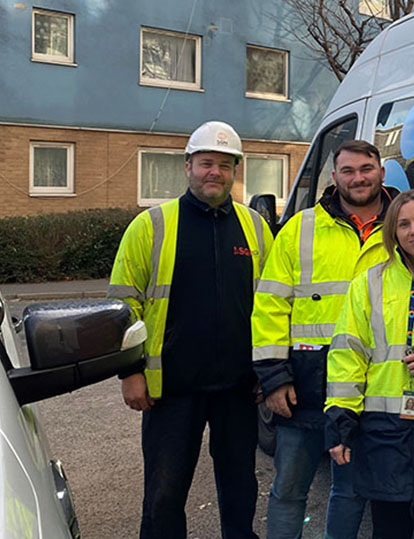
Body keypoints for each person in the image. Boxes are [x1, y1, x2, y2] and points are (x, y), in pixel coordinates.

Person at [108, 120, 273, 539]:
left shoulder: (255, 227)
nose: (214, 172)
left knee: (241, 490)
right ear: (187, 166)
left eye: (224, 164)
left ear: (235, 170)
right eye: (205, 163)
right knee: (164, 497)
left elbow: (271, 307)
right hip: (171, 390)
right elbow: (122, 307)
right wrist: (129, 373)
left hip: (238, 388)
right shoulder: (151, 226)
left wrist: (267, 372)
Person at [252, 140, 397, 539]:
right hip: (304, 386)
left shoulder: (404, 226)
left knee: (350, 492)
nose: (358, 178)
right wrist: (273, 377)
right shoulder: (302, 227)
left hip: (369, 387)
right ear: (334, 177)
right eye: (347, 170)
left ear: (381, 172)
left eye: (366, 168)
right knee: (288, 490)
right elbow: (269, 306)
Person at [325, 190, 414, 539]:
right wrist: (341, 420)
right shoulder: (369, 282)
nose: (413, 230)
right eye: (403, 224)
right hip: (383, 430)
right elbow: (348, 353)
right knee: (389, 529)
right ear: (392, 232)